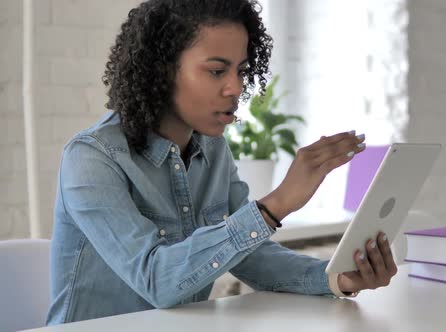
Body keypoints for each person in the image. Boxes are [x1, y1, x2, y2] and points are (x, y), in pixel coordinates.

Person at [46, 0, 397, 325]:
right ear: (163, 71)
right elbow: (157, 281)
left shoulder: (213, 149)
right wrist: (274, 205)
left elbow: (249, 256)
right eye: (216, 71)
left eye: (241, 71)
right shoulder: (92, 158)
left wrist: (337, 278)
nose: (235, 87)